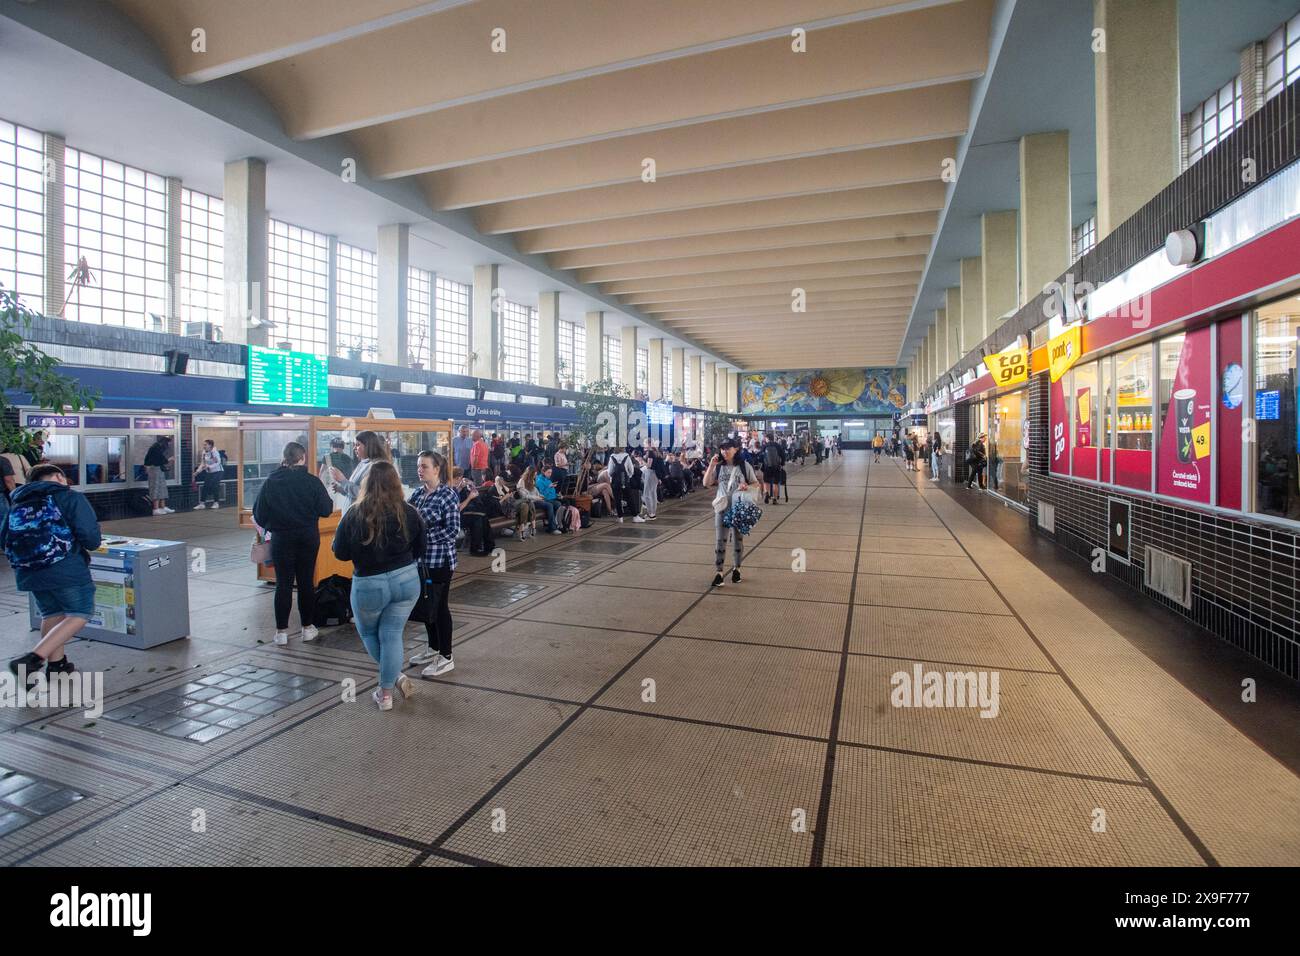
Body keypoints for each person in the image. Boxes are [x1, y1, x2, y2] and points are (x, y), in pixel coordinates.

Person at [331, 460, 424, 711]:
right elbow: (420, 548)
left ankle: (391, 681)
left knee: (370, 634)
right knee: (392, 634)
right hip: (406, 581)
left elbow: (339, 553)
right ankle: (386, 692)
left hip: (369, 584)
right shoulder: (410, 511)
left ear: (366, 483)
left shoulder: (354, 512)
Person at [3, 463, 103, 688]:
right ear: (59, 476)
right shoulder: (69, 497)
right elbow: (90, 537)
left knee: (53, 613)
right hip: (65, 569)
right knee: (80, 612)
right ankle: (32, 659)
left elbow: (4, 538)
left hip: (29, 571)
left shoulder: (18, 501)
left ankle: (57, 667)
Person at [252, 442, 334, 645]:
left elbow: (259, 514)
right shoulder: (311, 481)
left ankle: (281, 633)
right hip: (308, 537)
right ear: (303, 457)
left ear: (284, 458)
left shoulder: (272, 481)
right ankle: (307, 628)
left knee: (283, 584)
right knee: (306, 582)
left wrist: (275, 524)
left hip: (281, 539)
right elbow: (326, 509)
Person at [408, 451, 459, 677]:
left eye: (425, 466)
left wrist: (423, 537)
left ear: (437, 469)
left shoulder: (447, 495)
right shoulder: (417, 495)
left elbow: (452, 530)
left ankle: (446, 656)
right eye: (419, 466)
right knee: (427, 604)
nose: (420, 470)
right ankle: (433, 648)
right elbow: (408, 522)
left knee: (439, 607)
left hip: (441, 561)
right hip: (421, 561)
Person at [704, 440, 758, 588]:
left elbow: (756, 483)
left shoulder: (744, 466)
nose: (724, 451)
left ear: (736, 449)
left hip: (739, 508)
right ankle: (719, 573)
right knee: (720, 540)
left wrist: (746, 485)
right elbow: (706, 483)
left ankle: (737, 569)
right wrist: (711, 466)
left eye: (727, 448)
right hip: (722, 508)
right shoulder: (719, 466)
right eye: (722, 449)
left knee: (737, 540)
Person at [329, 430, 389, 511]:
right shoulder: (362, 463)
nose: (354, 448)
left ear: (368, 446)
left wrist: (343, 481)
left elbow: (366, 494)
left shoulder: (376, 467)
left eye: (357, 445)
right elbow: (354, 490)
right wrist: (341, 488)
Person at [521, 465, 561, 534]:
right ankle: (552, 528)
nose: (535, 476)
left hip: (536, 500)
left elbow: (535, 491)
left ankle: (552, 524)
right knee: (549, 505)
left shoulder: (532, 481)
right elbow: (525, 496)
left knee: (557, 504)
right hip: (529, 502)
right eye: (534, 475)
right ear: (530, 474)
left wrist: (540, 495)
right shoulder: (522, 482)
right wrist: (537, 497)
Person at [607, 446, 641, 522]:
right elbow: (631, 470)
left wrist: (612, 477)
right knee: (630, 498)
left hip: (615, 481)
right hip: (624, 480)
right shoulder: (626, 456)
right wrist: (628, 476)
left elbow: (609, 472)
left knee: (617, 499)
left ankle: (620, 517)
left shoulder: (612, 457)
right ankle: (635, 516)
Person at [144, 435, 174, 515]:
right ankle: (156, 508)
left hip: (157, 469)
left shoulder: (155, 447)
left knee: (162, 487)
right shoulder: (156, 449)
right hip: (155, 470)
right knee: (156, 487)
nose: (169, 445)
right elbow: (160, 460)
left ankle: (162, 507)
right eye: (168, 443)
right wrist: (169, 459)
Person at [192, 439, 225, 509]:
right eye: (203, 445)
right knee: (205, 486)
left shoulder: (214, 452)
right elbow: (203, 463)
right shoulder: (204, 453)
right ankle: (202, 504)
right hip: (209, 472)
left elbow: (218, 462)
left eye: (205, 445)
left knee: (214, 486)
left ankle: (216, 503)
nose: (204, 446)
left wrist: (209, 466)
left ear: (210, 445)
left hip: (218, 472)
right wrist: (197, 472)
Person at [761, 432, 784, 505]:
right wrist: (782, 464)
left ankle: (767, 493)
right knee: (775, 483)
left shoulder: (765, 446)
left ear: (767, 438)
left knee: (766, 482)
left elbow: (761, 457)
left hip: (767, 467)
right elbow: (783, 456)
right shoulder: (777, 445)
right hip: (776, 467)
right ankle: (774, 499)